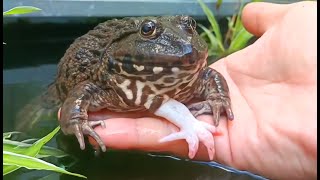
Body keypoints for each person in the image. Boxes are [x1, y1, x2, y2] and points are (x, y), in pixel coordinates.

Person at [60, 1, 317, 179]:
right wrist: (76, 121)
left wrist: (218, 99)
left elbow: (210, 76)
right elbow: (78, 96)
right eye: (150, 32)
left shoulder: (196, 78)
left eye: (189, 27)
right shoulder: (104, 86)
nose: (182, 42)